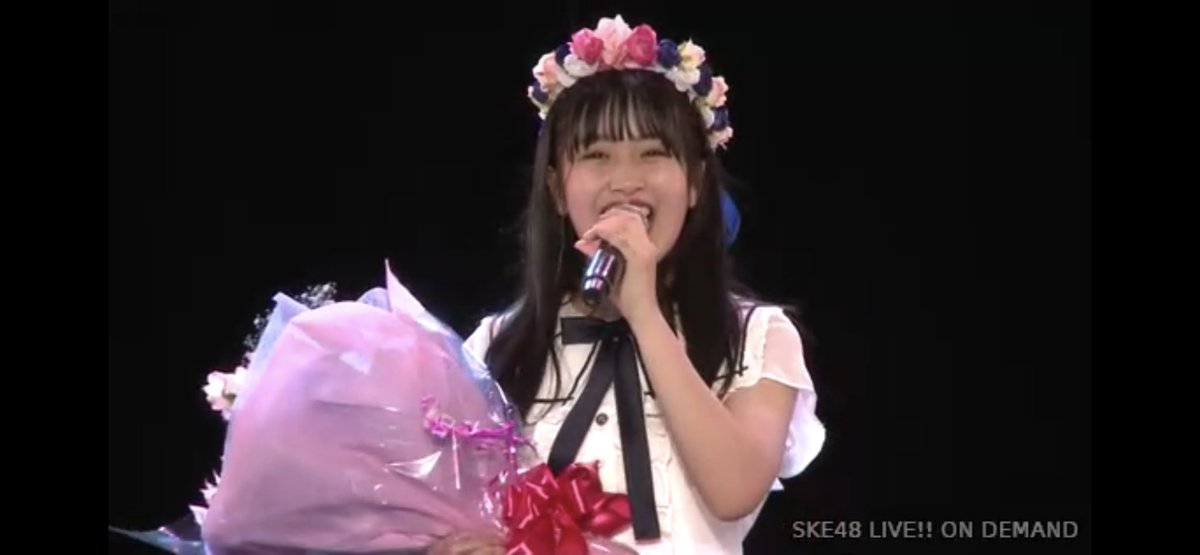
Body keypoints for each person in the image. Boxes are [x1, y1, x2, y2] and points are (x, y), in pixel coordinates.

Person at [460, 14, 826, 554]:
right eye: (597, 155)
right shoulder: (498, 343)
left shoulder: (758, 337)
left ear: (695, 181)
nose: (626, 179)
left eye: (652, 153)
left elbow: (735, 490)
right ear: (558, 190)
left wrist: (645, 313)